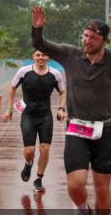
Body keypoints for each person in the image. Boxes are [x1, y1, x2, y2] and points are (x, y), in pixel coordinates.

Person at [31, 7, 111, 215]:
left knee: (103, 188)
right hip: (77, 128)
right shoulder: (70, 55)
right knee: (75, 184)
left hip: (106, 130)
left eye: (93, 37)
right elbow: (40, 43)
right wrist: (38, 27)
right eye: (85, 36)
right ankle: (84, 212)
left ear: (104, 40)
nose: (87, 41)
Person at [4, 50, 66, 193]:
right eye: (38, 55)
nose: (41, 58)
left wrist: (62, 108)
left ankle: (38, 178)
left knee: (45, 148)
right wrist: (10, 109)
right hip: (28, 115)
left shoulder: (55, 74)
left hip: (45, 115)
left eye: (44, 55)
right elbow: (12, 87)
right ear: (33, 56)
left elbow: (63, 92)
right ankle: (28, 163)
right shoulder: (24, 71)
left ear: (48, 57)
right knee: (29, 150)